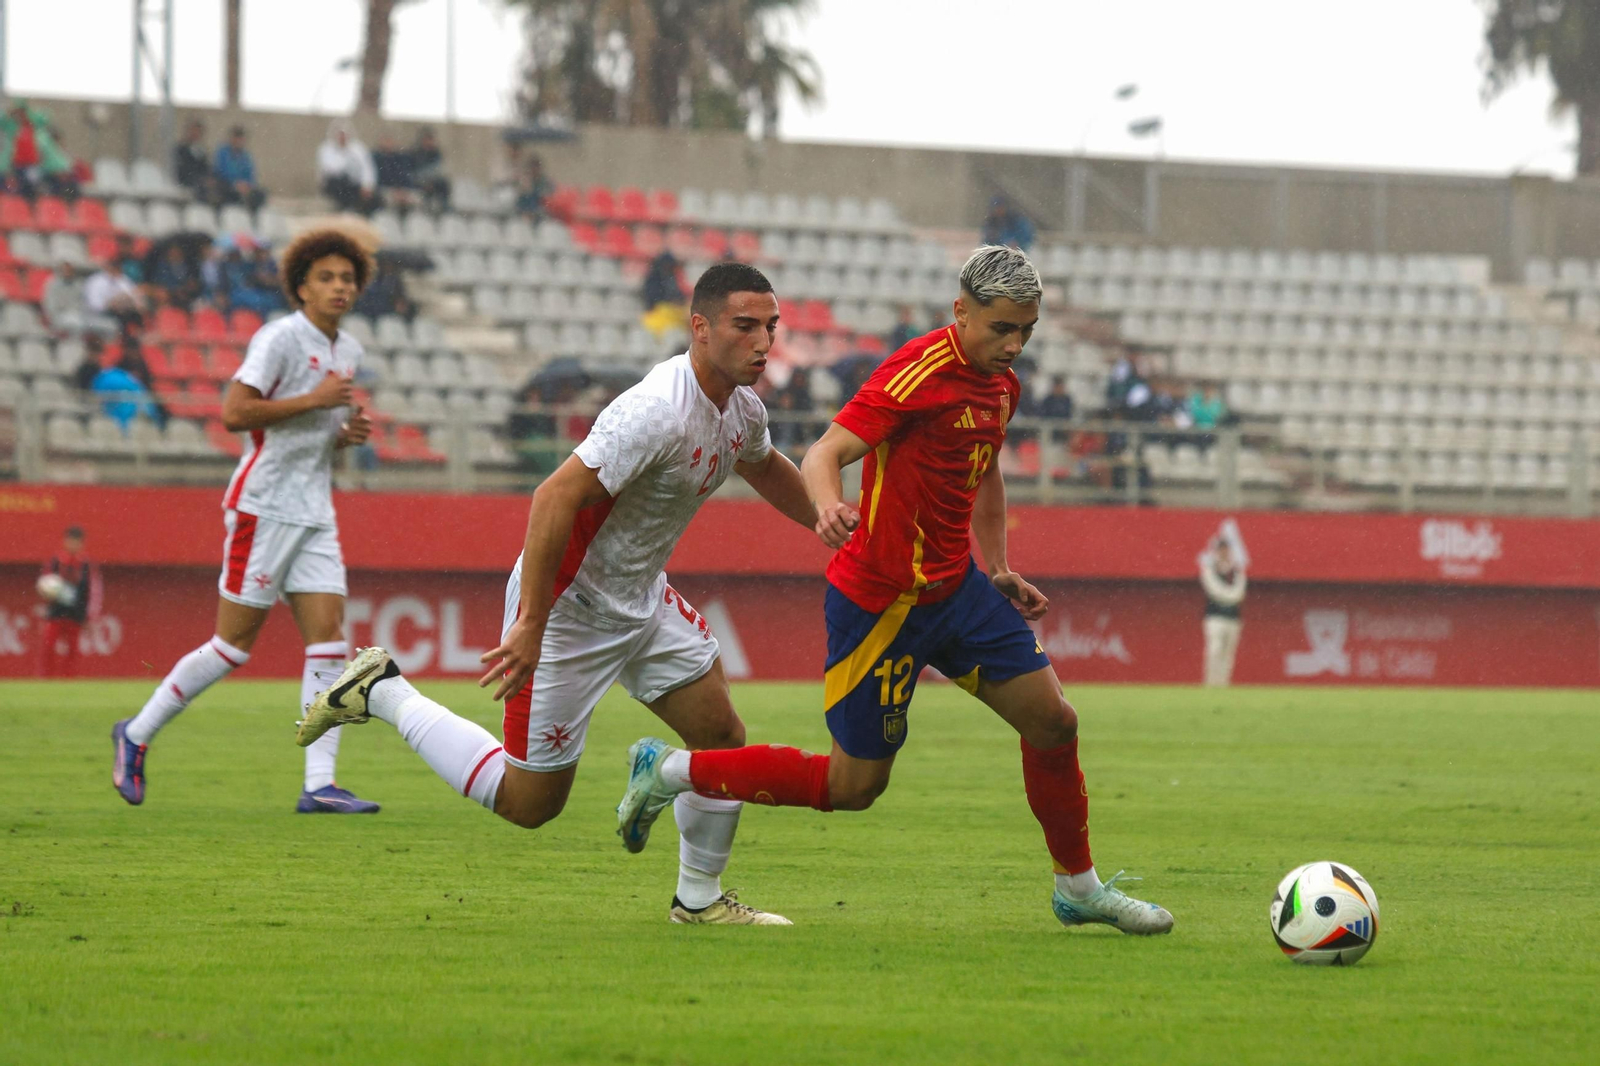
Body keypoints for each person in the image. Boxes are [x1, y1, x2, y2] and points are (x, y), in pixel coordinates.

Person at [614, 245, 1175, 935]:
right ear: (961, 312)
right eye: (1002, 328)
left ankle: (1079, 888)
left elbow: (986, 468)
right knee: (855, 787)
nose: (1015, 344)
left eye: (1026, 330)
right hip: (879, 602)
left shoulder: (1002, 384)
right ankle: (670, 769)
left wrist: (995, 565)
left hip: (956, 592)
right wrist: (825, 505)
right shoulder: (916, 373)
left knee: (1055, 720)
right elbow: (826, 452)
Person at [296, 263, 818, 925]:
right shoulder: (654, 413)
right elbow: (553, 497)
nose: (763, 342)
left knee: (721, 735)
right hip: (570, 610)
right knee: (530, 804)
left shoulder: (742, 411)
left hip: (641, 599)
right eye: (745, 326)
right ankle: (382, 690)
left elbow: (765, 466)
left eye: (771, 326)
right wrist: (533, 622)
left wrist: (830, 523)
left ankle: (699, 901)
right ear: (700, 327)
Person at [111, 228, 379, 814]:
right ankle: (135, 734)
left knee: (330, 643)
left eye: (347, 278)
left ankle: (319, 784)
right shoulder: (280, 337)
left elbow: (307, 434)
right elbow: (235, 413)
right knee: (233, 646)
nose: (339, 286)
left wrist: (341, 437)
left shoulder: (349, 350)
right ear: (301, 286)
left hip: (315, 508)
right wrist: (316, 401)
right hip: (263, 506)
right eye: (326, 277)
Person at [38, 526, 101, 678]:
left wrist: (90, 614)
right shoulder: (55, 562)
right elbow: (44, 584)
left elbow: (93, 590)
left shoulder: (86, 565)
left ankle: (69, 679)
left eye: (77, 542)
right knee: (49, 646)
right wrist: (47, 596)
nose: (73, 545)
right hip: (56, 612)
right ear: (65, 541)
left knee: (73, 649)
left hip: (76, 613)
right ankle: (46, 679)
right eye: (71, 541)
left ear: (81, 544)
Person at [1200, 537, 1246, 687]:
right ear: (1216, 551)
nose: (1224, 552)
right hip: (1215, 617)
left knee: (1228, 653)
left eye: (1226, 549)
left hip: (1233, 617)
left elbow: (1240, 592)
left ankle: (1223, 683)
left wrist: (1229, 597)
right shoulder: (1210, 568)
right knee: (1214, 650)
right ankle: (1211, 683)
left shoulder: (1236, 569)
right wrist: (1230, 597)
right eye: (1221, 549)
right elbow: (1213, 590)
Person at [317, 122, 379, 216]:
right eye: (340, 135)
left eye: (344, 135)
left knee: (374, 198)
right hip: (335, 183)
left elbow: (367, 168)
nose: (342, 137)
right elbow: (331, 169)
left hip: (354, 184)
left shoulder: (358, 148)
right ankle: (345, 209)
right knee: (340, 185)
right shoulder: (326, 148)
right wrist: (344, 154)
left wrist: (367, 185)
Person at [84, 257, 144, 337]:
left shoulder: (122, 279)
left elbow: (134, 295)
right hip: (102, 313)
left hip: (122, 311)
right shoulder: (95, 281)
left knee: (134, 307)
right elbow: (94, 304)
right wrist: (111, 304)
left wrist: (130, 302)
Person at [213, 126, 267, 210]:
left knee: (260, 193)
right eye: (236, 138)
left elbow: (250, 174)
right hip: (226, 185)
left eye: (240, 139)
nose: (238, 141)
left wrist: (247, 185)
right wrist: (235, 183)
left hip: (243, 188)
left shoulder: (246, 156)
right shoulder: (222, 152)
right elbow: (220, 170)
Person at [411, 127, 451, 214]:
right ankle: (425, 209)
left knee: (443, 184)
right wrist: (423, 181)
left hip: (433, 181)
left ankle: (444, 207)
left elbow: (437, 170)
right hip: (418, 182)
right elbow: (413, 171)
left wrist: (430, 180)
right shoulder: (415, 154)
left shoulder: (436, 154)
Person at [41, 261, 88, 335]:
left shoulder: (78, 284)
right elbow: (50, 306)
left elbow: (83, 302)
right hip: (59, 316)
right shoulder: (52, 285)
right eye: (66, 271)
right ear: (60, 271)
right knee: (80, 325)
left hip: (77, 314)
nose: (68, 273)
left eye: (70, 271)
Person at [172, 120, 212, 200]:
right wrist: (199, 178)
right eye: (193, 131)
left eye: (198, 132)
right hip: (186, 180)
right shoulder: (181, 149)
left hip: (198, 180)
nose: (195, 134)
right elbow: (182, 168)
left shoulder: (201, 150)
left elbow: (205, 167)